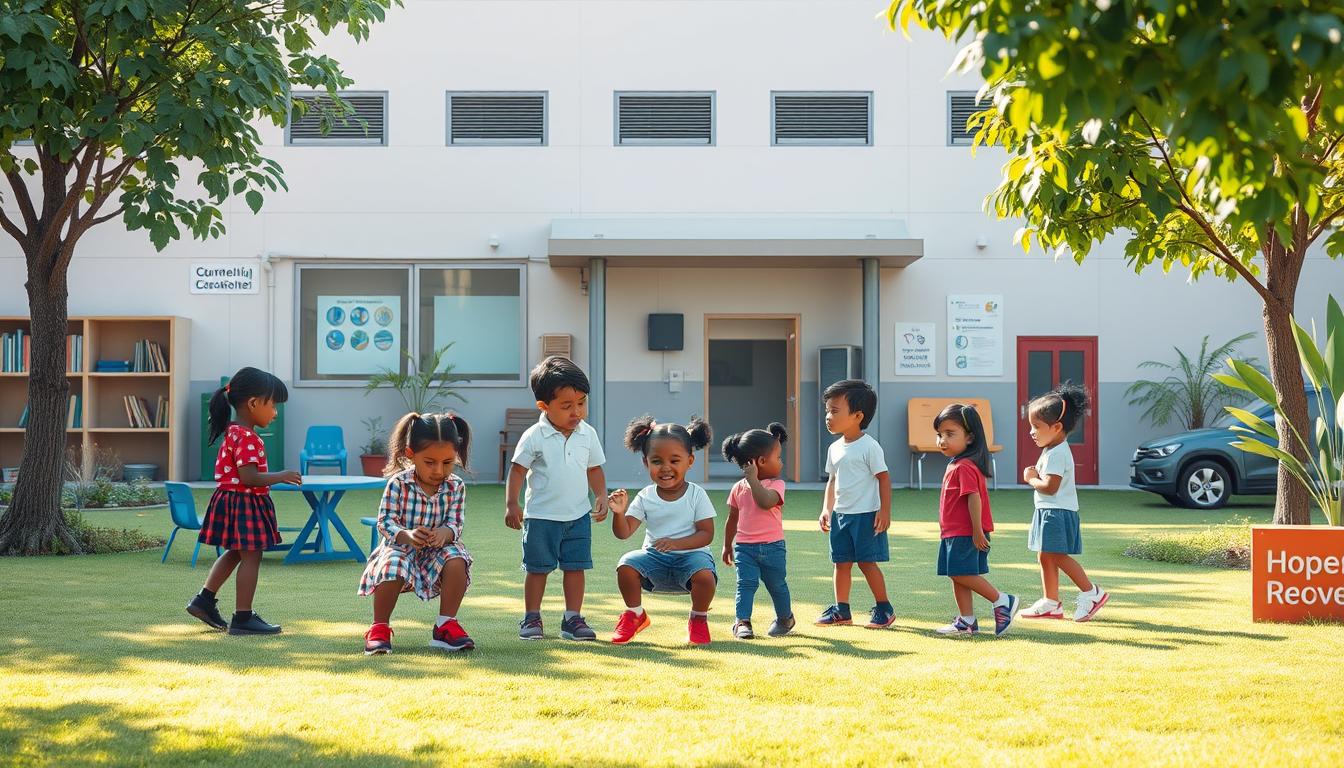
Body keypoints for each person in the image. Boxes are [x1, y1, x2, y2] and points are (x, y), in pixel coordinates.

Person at [185, 367, 301, 636]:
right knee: (252, 556)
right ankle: (244, 617)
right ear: (253, 403)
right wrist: (281, 475)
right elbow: (249, 477)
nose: (275, 412)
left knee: (236, 552)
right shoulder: (248, 437)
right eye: (273, 405)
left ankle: (204, 600)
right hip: (244, 502)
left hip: (231, 500)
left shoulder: (234, 432)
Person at [504, 356, 608, 641]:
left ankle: (572, 619)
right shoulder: (534, 435)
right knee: (538, 570)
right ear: (544, 406)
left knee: (576, 568)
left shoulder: (588, 434)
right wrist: (512, 504)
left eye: (581, 403)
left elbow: (594, 468)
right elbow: (517, 470)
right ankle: (531, 618)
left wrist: (601, 495)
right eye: (566, 406)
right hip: (541, 518)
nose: (577, 412)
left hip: (578, 517)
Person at [359, 412, 476, 654]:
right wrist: (407, 535)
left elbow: (455, 523)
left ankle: (445, 625)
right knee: (392, 564)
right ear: (411, 455)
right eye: (430, 462)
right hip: (401, 548)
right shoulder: (399, 483)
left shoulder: (455, 486)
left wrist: (444, 533)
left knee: (457, 559)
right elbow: (385, 521)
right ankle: (379, 627)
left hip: (436, 552)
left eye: (447, 462)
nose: (438, 470)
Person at [608, 416, 717, 646]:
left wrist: (677, 544)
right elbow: (624, 532)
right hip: (655, 559)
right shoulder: (646, 496)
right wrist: (619, 513)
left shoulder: (697, 495)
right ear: (646, 463)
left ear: (690, 461)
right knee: (626, 564)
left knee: (706, 576)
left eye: (674, 460)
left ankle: (698, 619)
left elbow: (706, 534)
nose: (666, 468)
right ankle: (635, 614)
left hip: (692, 557)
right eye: (657, 461)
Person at [1020, 384, 1109, 622]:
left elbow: (1050, 487)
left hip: (1056, 512)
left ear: (1057, 427)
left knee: (1057, 556)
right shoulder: (1051, 449)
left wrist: (1031, 479)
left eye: (1036, 426)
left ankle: (1091, 593)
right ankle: (1051, 603)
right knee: (1045, 556)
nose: (1031, 432)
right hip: (1049, 511)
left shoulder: (1057, 453)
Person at [930, 403, 1019, 636]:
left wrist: (977, 531)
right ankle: (967, 621)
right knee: (956, 575)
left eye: (950, 434)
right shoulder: (956, 464)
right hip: (953, 532)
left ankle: (1002, 600)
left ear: (969, 438)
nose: (942, 440)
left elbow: (974, 498)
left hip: (966, 532)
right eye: (940, 434)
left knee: (962, 573)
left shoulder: (965, 467)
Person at [815, 380, 895, 629]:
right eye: (827, 410)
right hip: (841, 516)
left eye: (835, 411)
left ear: (858, 415)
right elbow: (832, 480)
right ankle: (842, 610)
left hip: (866, 516)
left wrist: (884, 511)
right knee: (841, 562)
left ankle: (884, 608)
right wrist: (826, 509)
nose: (828, 416)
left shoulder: (870, 447)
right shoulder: (834, 448)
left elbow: (884, 478)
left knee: (866, 563)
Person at [721, 423, 794, 639]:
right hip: (745, 548)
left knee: (777, 585)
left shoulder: (777, 485)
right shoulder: (738, 488)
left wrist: (753, 481)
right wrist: (727, 544)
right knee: (746, 584)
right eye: (778, 457)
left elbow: (765, 502)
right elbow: (732, 518)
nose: (781, 462)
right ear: (761, 461)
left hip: (773, 548)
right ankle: (742, 622)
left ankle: (785, 618)